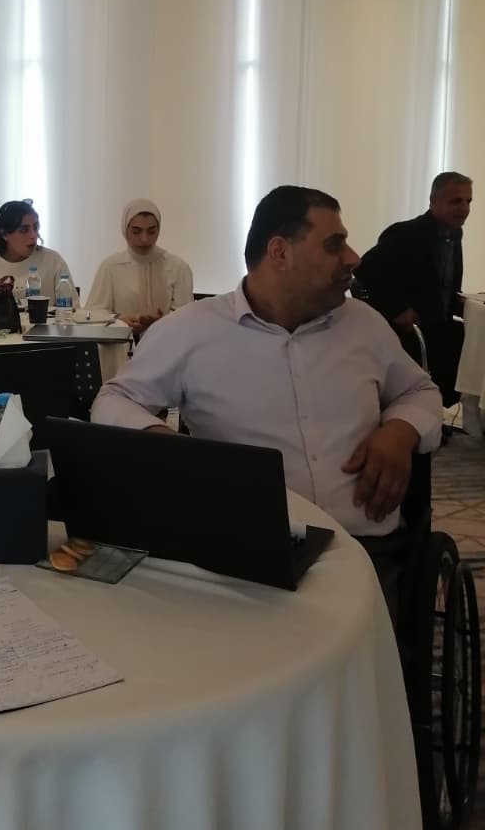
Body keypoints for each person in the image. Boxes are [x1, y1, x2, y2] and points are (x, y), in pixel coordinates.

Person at [92, 185, 441, 617]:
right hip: (247, 556)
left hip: (368, 548)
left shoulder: (364, 326)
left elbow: (420, 391)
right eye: (334, 244)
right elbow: (113, 399)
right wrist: (159, 440)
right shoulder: (191, 332)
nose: (353, 258)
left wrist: (401, 430)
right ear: (280, 252)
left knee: (355, 646)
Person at [355, 172, 472, 406]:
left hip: (438, 323)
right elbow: (364, 269)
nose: (464, 208)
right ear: (434, 201)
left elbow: (443, 282)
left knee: (474, 343)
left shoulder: (454, 233)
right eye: (456, 201)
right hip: (408, 330)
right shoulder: (406, 234)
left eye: (468, 201)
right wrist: (398, 309)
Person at [86, 198, 193, 333]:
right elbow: (93, 313)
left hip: (167, 341)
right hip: (122, 342)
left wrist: (160, 323)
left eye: (151, 231)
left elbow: (187, 316)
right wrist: (119, 321)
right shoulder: (110, 267)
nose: (144, 239)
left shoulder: (178, 267)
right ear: (125, 230)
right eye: (136, 232)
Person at [0, 201, 78, 305]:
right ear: (4, 234)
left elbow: (73, 311)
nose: (33, 235)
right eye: (24, 230)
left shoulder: (53, 261)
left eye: (35, 227)